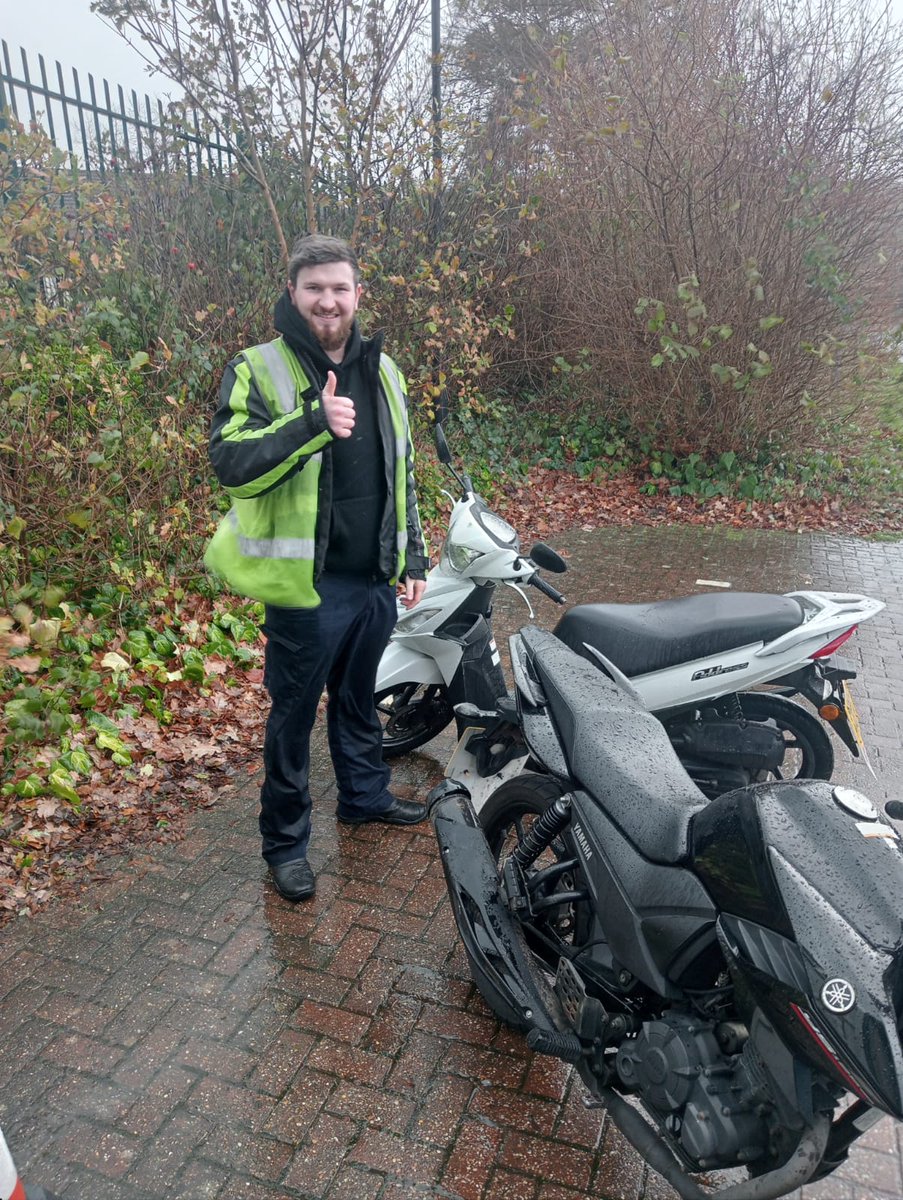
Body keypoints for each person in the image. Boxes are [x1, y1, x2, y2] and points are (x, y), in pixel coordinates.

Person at [205, 233, 429, 902]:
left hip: (372, 580)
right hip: (304, 586)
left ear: (358, 294)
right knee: (293, 718)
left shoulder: (386, 371)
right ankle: (286, 846)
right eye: (314, 289)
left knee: (360, 701)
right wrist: (310, 421)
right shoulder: (258, 367)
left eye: (339, 288)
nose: (327, 300)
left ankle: (362, 797)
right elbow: (230, 462)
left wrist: (411, 555)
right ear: (293, 294)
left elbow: (404, 471)